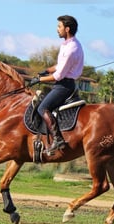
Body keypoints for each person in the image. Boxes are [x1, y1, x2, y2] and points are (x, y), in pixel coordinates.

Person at [28, 15, 84, 154]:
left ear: (67, 29)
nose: (57, 29)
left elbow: (58, 75)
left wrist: (39, 80)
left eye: (59, 27)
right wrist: (46, 70)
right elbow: (59, 66)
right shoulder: (69, 44)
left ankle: (58, 139)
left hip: (63, 86)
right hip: (63, 83)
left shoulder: (71, 49)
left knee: (42, 108)